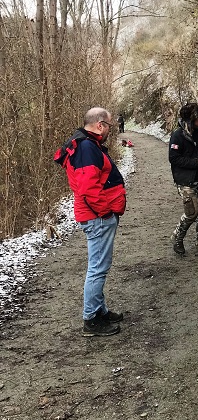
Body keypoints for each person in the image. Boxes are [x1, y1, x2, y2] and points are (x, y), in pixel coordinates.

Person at [54, 107, 127, 337]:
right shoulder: (86, 147)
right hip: (97, 217)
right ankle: (91, 320)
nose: (109, 131)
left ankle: (99, 310)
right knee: (98, 268)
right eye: (109, 126)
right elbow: (88, 189)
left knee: (99, 266)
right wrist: (106, 212)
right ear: (99, 125)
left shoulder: (85, 144)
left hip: (95, 216)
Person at [169, 102, 198, 256]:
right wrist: (196, 162)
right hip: (186, 180)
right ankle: (178, 236)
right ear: (190, 119)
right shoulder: (178, 136)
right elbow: (174, 159)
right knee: (192, 213)